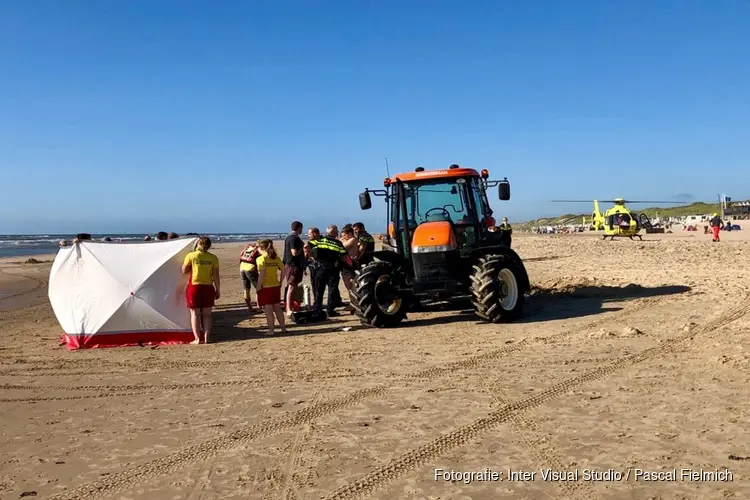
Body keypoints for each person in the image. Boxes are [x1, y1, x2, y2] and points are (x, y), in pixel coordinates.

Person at [181, 236, 220, 344]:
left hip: (195, 287)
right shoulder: (213, 257)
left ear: (198, 244)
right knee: (207, 315)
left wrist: (191, 267)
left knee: (195, 314)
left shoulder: (191, 255)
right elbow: (216, 276)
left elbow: (183, 270)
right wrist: (218, 289)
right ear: (209, 246)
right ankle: (207, 338)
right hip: (208, 286)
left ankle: (197, 339)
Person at [307, 225, 347, 317]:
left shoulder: (319, 241)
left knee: (319, 290)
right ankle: (330, 310)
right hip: (333, 268)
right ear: (334, 232)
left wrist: (312, 257)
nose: (338, 233)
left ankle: (317, 309)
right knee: (332, 290)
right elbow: (344, 256)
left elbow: (308, 246)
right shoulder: (338, 243)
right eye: (337, 231)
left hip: (320, 267)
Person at [256, 239, 286, 336]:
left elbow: (262, 273)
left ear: (261, 248)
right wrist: (281, 281)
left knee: (268, 309)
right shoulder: (275, 258)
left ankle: (271, 330)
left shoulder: (261, 259)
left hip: (266, 286)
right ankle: (283, 328)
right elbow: (284, 270)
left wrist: (258, 285)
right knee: (277, 307)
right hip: (275, 285)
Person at [283, 221, 305, 317]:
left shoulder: (292, 238)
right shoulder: (293, 238)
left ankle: (290, 306)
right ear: (299, 228)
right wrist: (303, 249)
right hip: (293, 265)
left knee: (293, 286)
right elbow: (294, 253)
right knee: (291, 287)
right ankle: (288, 308)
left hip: (294, 265)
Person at [340, 226, 360, 309]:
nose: (344, 237)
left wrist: (341, 240)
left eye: (345, 235)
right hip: (345, 264)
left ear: (350, 234)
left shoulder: (353, 239)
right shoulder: (347, 239)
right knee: (347, 284)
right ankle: (352, 302)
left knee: (351, 283)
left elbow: (342, 247)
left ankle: (354, 302)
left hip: (351, 263)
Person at [239, 240, 261, 314]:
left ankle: (249, 307)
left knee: (246, 289)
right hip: (250, 269)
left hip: (242, 268)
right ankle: (259, 307)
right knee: (259, 288)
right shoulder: (258, 250)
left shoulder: (248, 248)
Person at [305, 227, 322, 302]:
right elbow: (307, 255)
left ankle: (318, 300)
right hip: (312, 266)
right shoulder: (309, 242)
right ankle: (316, 300)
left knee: (319, 284)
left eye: (309, 234)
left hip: (321, 265)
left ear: (315, 234)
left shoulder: (322, 241)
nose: (308, 235)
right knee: (314, 284)